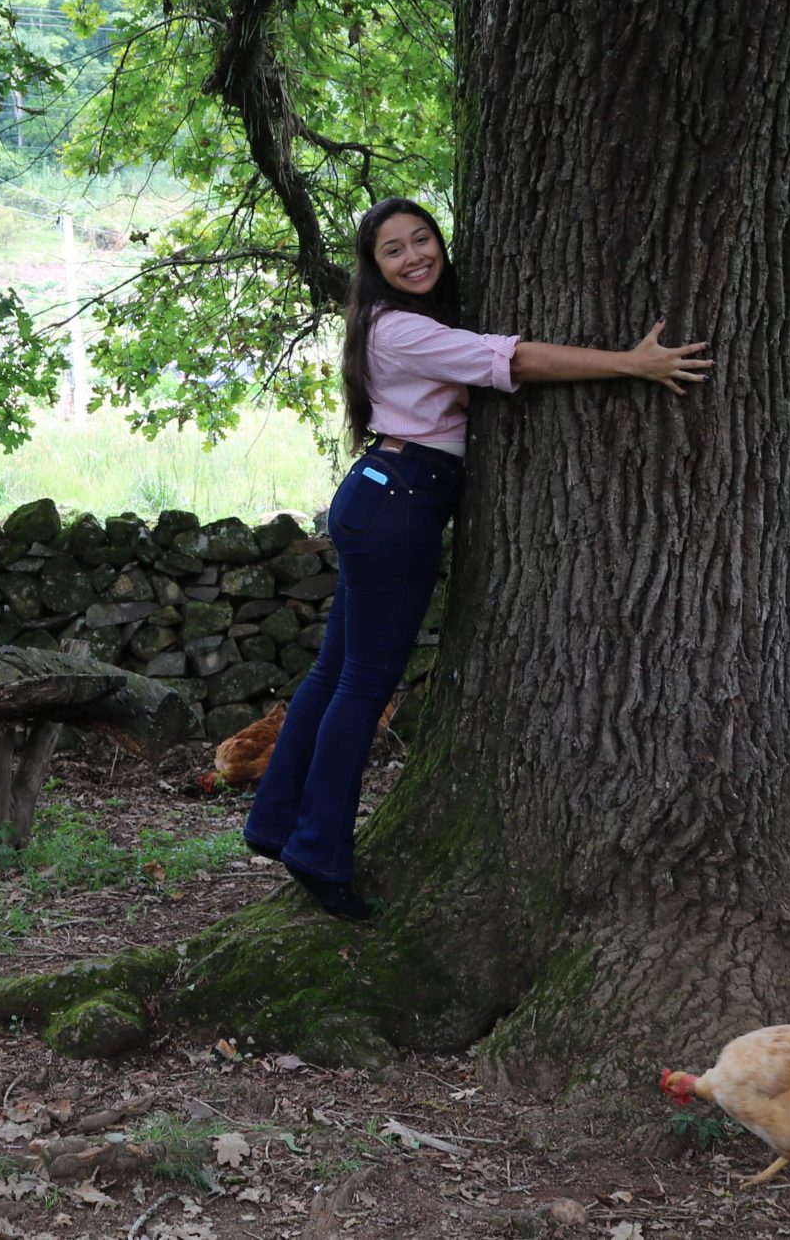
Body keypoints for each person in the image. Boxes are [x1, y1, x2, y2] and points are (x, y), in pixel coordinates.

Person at [241, 196, 712, 919]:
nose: (413, 256)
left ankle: (276, 821)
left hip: (380, 492)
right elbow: (515, 360)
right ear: (374, 269)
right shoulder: (400, 330)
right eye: (392, 250)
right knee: (363, 685)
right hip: (397, 502)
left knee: (337, 672)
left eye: (422, 239)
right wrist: (631, 364)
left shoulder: (403, 323)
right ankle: (316, 847)